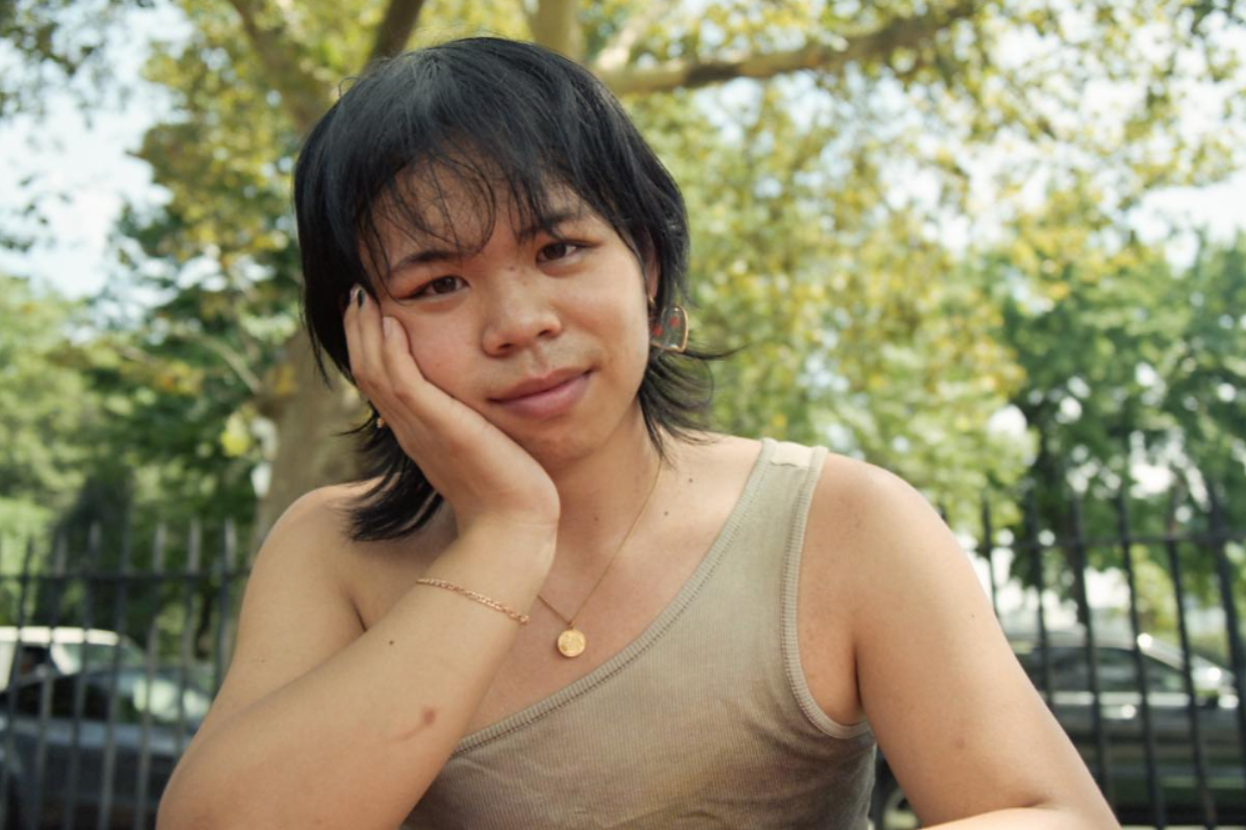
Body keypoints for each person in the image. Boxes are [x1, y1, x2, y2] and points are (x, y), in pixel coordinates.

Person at [158, 36, 1119, 830]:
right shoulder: (333, 551)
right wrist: (505, 534)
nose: (520, 320)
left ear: (648, 267)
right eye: (438, 283)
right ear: (364, 331)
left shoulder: (844, 521)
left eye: (560, 248)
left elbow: (1050, 813)